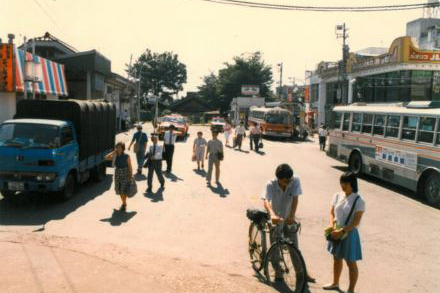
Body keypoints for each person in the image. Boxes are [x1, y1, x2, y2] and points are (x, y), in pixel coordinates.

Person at [261, 164, 315, 283]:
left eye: (289, 180)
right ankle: (278, 271)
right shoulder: (270, 184)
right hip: (275, 218)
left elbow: (295, 198)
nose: (288, 183)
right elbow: (266, 201)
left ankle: (301, 273)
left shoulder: (294, 180)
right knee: (275, 246)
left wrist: (291, 215)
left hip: (289, 218)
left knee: (294, 247)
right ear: (278, 178)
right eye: (285, 181)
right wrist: (272, 214)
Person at [323, 172, 365, 293]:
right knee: (336, 258)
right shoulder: (337, 195)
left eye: (345, 183)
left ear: (352, 183)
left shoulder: (359, 200)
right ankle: (335, 283)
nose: (342, 185)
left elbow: (356, 221)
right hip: (336, 230)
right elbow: (331, 212)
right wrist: (332, 226)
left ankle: (351, 290)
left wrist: (343, 231)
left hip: (349, 233)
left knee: (351, 263)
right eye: (341, 182)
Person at [105, 142, 133, 211]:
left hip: (125, 174)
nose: (118, 148)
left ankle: (124, 204)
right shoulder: (115, 156)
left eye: (120, 147)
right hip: (117, 174)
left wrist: (131, 175)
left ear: (123, 148)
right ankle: (124, 203)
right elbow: (106, 157)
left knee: (123, 189)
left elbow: (130, 166)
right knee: (119, 189)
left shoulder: (127, 156)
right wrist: (113, 152)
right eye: (117, 147)